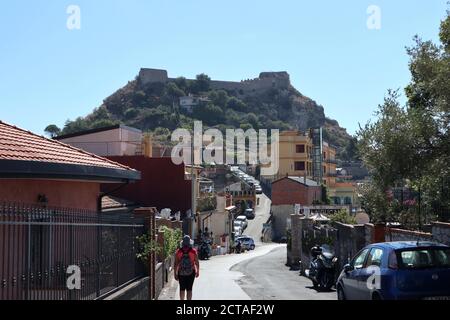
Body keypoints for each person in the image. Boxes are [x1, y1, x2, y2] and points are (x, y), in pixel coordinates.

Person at [174, 235, 200, 300]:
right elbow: (196, 262)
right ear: (190, 243)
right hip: (191, 272)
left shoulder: (178, 251)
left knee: (182, 288)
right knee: (189, 289)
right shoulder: (193, 251)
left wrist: (175, 274)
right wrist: (197, 271)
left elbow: (176, 264)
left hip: (181, 272)